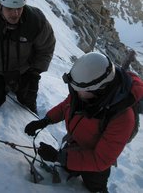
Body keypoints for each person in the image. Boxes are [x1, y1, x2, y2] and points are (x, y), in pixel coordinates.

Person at [25, 52, 143, 192]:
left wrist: (59, 157)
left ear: (99, 89)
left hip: (97, 161)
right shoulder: (84, 92)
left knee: (94, 185)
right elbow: (67, 105)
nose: (75, 93)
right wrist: (46, 120)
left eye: (79, 90)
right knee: (68, 165)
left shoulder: (122, 118)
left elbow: (100, 160)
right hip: (76, 143)